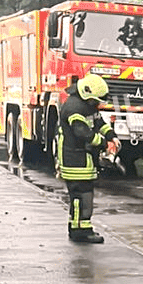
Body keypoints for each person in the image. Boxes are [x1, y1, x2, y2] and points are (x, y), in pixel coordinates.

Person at [56, 74, 119, 243]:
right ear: (87, 95)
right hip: (74, 160)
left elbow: (99, 123)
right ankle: (77, 231)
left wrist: (112, 136)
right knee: (79, 196)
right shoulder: (73, 109)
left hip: (84, 160)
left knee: (86, 195)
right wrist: (104, 144)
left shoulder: (88, 106)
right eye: (96, 101)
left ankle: (84, 228)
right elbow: (82, 132)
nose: (98, 104)